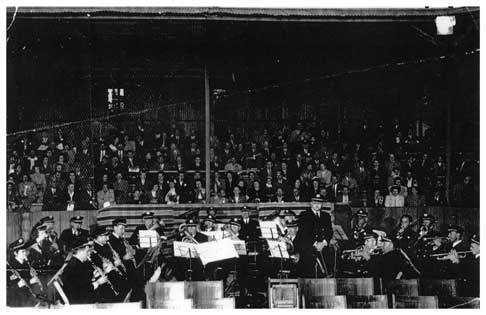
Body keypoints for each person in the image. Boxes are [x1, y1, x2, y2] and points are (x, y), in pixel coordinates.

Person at [294, 195, 333, 278]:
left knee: (331, 256)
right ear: (311, 203)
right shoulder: (304, 215)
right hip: (309, 245)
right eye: (315, 202)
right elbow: (304, 233)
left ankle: (327, 278)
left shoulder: (326, 216)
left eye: (319, 203)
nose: (317, 205)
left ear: (322, 204)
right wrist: (315, 244)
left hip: (323, 245)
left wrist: (324, 243)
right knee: (308, 259)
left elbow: (329, 231)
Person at [61, 239, 107, 304]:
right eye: (87, 251)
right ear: (80, 252)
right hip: (79, 303)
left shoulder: (76, 263)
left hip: (80, 300)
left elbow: (82, 284)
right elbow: (81, 292)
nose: (89, 254)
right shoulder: (75, 266)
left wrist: (94, 277)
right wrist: (98, 283)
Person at [90, 226, 129, 302]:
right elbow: (100, 267)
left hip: (114, 274)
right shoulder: (94, 250)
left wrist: (118, 262)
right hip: (108, 279)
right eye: (105, 236)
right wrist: (114, 265)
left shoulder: (106, 245)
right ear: (98, 237)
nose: (107, 238)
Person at [7, 238, 44, 307]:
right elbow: (9, 288)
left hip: (29, 295)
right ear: (15, 253)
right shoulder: (10, 266)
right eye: (22, 252)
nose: (25, 254)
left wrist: (34, 278)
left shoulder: (25, 263)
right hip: (18, 299)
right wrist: (30, 281)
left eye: (25, 251)